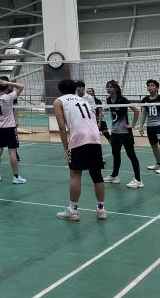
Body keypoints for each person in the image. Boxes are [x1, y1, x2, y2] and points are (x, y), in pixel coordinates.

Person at [53, 79, 107, 222]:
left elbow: (61, 126)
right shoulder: (84, 100)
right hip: (95, 138)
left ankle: (73, 211)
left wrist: (66, 148)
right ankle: (101, 210)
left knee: (76, 174)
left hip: (79, 138)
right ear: (75, 89)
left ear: (60, 90)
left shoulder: (59, 101)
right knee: (97, 174)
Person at [0, 76, 26, 184]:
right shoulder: (9, 97)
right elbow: (21, 86)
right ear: (7, 86)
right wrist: (7, 82)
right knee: (12, 152)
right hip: (9, 128)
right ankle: (16, 177)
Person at [103, 80, 142, 189]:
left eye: (110, 87)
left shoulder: (122, 99)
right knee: (115, 154)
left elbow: (136, 111)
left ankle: (138, 180)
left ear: (115, 88)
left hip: (125, 133)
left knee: (131, 155)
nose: (108, 89)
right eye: (107, 87)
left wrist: (132, 125)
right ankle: (114, 176)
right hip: (115, 133)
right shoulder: (108, 100)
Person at [140, 79, 160, 174]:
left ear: (157, 87)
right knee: (153, 145)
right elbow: (143, 114)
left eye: (152, 85)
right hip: (150, 127)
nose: (149, 87)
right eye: (148, 86)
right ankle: (158, 164)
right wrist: (141, 126)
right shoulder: (145, 100)